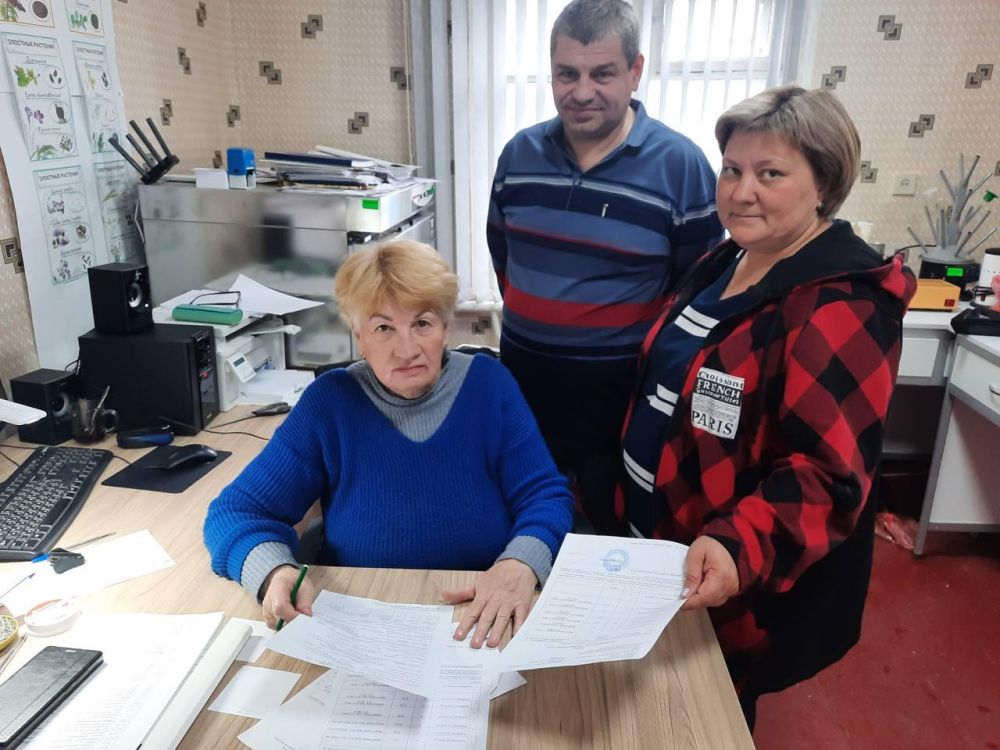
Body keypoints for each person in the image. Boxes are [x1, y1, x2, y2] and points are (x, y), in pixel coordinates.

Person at [616, 86, 916, 727]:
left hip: (730, 579)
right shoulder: (728, 258)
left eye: (770, 173)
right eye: (732, 170)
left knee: (705, 718)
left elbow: (826, 476)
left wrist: (735, 547)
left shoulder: (840, 302)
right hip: (659, 552)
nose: (741, 191)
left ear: (823, 185)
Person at [204, 240, 574, 648]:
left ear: (445, 328)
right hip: (361, 620)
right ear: (359, 337)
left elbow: (545, 496)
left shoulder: (490, 386)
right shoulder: (330, 404)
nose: (407, 349)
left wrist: (521, 562)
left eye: (423, 323)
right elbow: (235, 512)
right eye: (383, 328)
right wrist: (273, 573)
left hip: (483, 613)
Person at [487, 0, 724, 535]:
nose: (582, 91)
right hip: (524, 389)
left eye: (602, 73)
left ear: (635, 71)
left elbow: (695, 292)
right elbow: (505, 260)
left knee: (612, 543)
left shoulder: (681, 166)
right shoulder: (518, 156)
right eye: (567, 74)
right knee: (525, 529)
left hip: (622, 404)